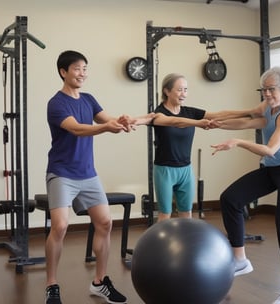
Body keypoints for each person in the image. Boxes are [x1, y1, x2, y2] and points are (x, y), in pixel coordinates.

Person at [44, 50, 153, 304]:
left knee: (105, 223)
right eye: (77, 69)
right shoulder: (57, 103)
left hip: (88, 174)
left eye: (85, 68)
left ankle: (100, 281)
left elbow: (108, 119)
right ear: (63, 72)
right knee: (60, 226)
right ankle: (51, 284)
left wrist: (122, 120)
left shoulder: (89, 99)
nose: (82, 73)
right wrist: (106, 127)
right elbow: (77, 129)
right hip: (61, 172)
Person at [211, 66, 280, 304]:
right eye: (264, 89)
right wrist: (212, 121)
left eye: (271, 89)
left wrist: (237, 142)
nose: (266, 93)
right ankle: (240, 259)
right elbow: (243, 119)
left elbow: (270, 149)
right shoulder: (267, 108)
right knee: (230, 198)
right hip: (272, 168)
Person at [151, 73, 244, 222]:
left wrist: (249, 113)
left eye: (186, 90)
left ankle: (185, 244)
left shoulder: (190, 112)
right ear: (167, 91)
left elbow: (218, 115)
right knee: (165, 214)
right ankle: (159, 246)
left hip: (186, 170)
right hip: (165, 170)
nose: (184, 94)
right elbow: (175, 122)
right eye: (180, 90)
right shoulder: (158, 114)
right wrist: (198, 123)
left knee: (186, 213)